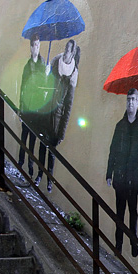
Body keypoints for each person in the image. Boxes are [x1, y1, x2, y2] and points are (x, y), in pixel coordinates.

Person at [33, 38, 79, 191]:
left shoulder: (72, 73)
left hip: (57, 119)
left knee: (51, 150)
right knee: (41, 145)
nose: (66, 51)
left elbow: (69, 104)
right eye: (65, 48)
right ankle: (39, 174)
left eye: (69, 49)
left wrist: (62, 132)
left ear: (72, 53)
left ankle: (49, 178)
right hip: (46, 112)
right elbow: (44, 88)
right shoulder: (55, 62)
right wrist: (46, 76)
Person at [106, 89, 138, 257]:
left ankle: (133, 243)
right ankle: (118, 245)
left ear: (137, 103)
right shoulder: (119, 126)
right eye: (128, 99)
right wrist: (109, 173)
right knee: (119, 212)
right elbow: (113, 150)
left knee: (133, 212)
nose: (130, 103)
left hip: (133, 178)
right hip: (120, 176)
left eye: (133, 100)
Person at [17, 34, 54, 178]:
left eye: (38, 45)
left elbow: (44, 87)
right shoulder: (28, 66)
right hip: (27, 105)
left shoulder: (42, 64)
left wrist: (46, 75)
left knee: (32, 139)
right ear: (30, 46)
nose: (36, 48)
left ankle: (30, 168)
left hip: (36, 108)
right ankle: (20, 163)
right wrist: (21, 107)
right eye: (34, 45)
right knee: (24, 138)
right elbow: (22, 87)